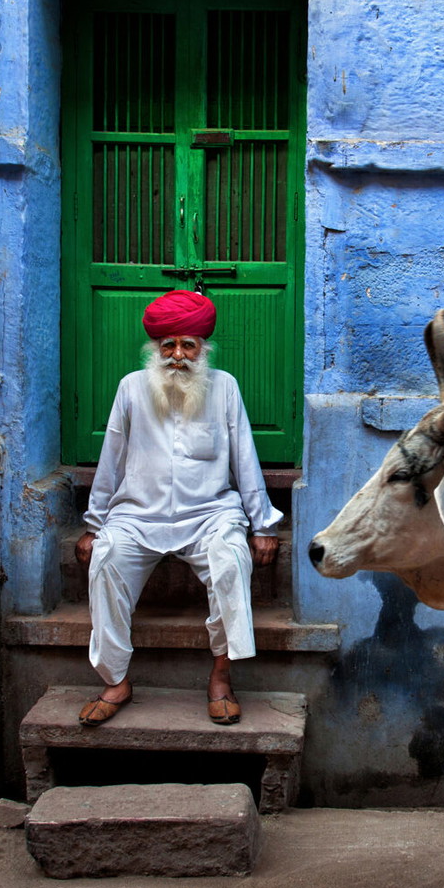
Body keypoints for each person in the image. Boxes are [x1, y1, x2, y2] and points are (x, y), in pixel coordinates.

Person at [74, 290, 282, 727]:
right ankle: (116, 681)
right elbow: (111, 457)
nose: (177, 355)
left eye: (188, 345)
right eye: (168, 346)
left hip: (210, 514)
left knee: (230, 559)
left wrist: (263, 525)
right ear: (155, 350)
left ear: (203, 350)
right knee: (107, 560)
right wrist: (94, 525)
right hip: (137, 514)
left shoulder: (224, 387)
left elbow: (245, 455)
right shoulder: (131, 387)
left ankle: (221, 678)